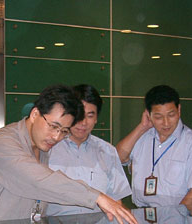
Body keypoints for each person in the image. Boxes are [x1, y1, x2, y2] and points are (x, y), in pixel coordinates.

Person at [0, 84, 136, 224]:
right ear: (35, 114)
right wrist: (97, 197)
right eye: (53, 126)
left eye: (64, 131)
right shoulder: (3, 141)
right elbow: (38, 179)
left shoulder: (42, 147)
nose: (56, 137)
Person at [116, 85, 192, 208]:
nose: (166, 123)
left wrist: (173, 216)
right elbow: (118, 158)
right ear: (148, 114)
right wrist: (142, 127)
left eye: (171, 115)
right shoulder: (142, 136)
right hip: (142, 212)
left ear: (179, 110)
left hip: (175, 215)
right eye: (158, 117)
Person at [47, 84, 131, 215]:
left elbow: (116, 200)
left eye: (90, 116)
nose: (83, 122)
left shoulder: (108, 151)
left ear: (96, 118)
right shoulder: (49, 148)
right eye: (79, 115)